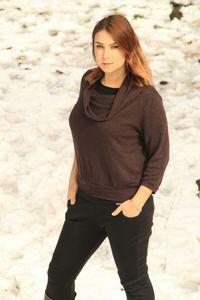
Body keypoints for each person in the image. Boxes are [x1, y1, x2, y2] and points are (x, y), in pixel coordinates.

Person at [43, 13, 169, 300]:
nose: (105, 54)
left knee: (134, 283)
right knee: (58, 276)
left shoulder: (145, 99)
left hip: (125, 205)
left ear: (128, 48)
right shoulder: (88, 82)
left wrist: (136, 204)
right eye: (99, 46)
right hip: (85, 200)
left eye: (114, 46)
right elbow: (87, 136)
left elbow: (159, 155)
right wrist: (74, 179)